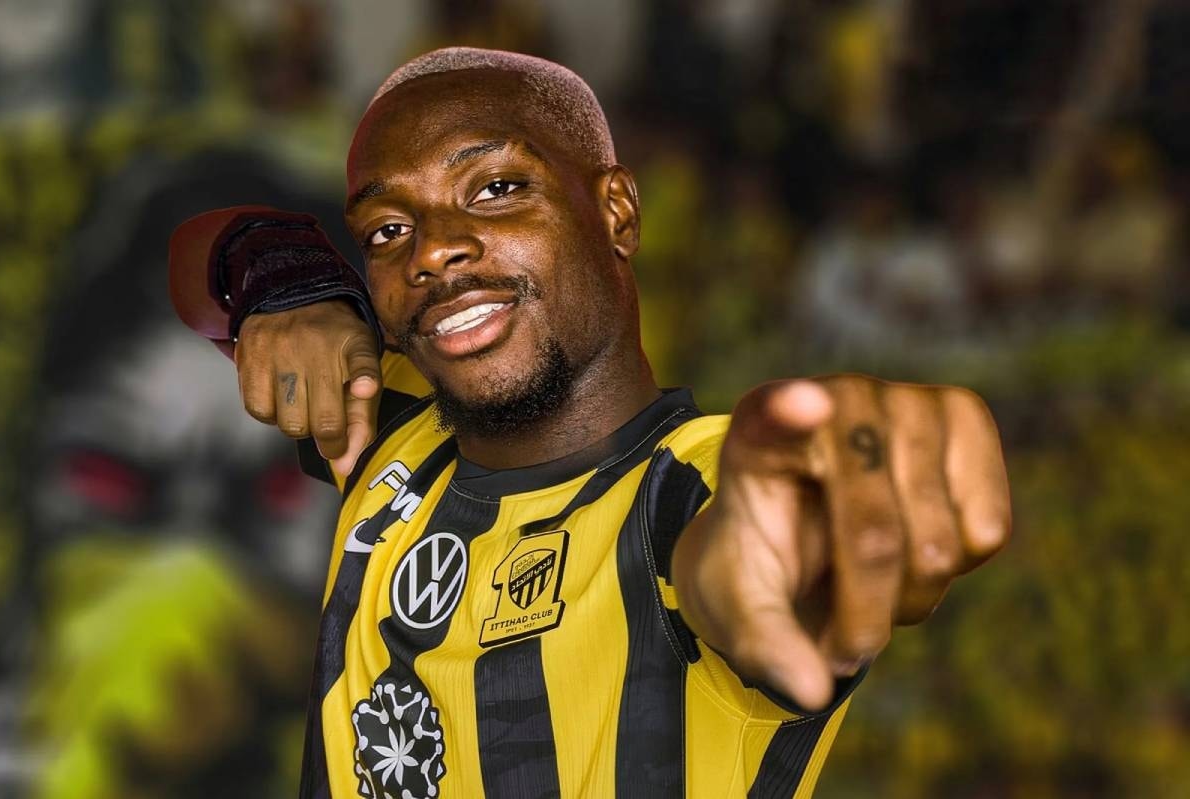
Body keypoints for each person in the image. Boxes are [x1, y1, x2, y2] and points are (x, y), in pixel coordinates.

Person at [169, 48, 1010, 799]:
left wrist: (813, 515)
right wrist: (286, 282)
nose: (432, 251)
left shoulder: (691, 483)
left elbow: (752, 554)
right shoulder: (386, 440)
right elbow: (194, 252)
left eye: (496, 189)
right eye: (390, 228)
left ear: (617, 213)